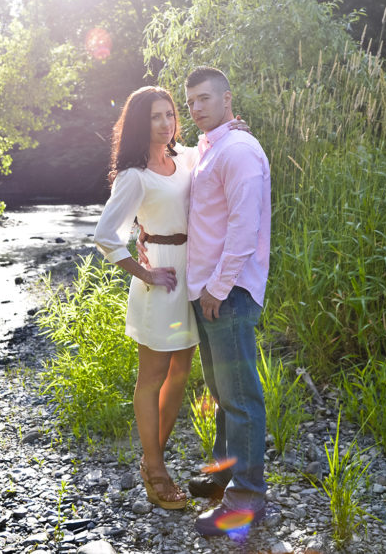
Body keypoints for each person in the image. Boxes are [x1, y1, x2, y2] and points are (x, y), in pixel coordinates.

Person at [93, 86, 200, 510]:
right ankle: (156, 469)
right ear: (141, 123)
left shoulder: (185, 157)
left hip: (192, 273)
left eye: (169, 114)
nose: (165, 122)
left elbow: (212, 143)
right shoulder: (134, 175)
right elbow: (104, 235)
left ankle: (150, 457)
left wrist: (236, 128)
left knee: (181, 372)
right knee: (152, 375)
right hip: (162, 280)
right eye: (155, 116)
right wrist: (146, 271)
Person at [180, 66, 272, 536]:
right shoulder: (214, 146)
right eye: (190, 100)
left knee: (239, 397)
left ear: (227, 99)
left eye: (204, 99)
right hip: (208, 290)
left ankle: (245, 500)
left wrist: (218, 287)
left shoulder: (238, 149)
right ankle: (223, 474)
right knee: (220, 392)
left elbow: (245, 225)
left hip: (227, 292)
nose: (195, 108)